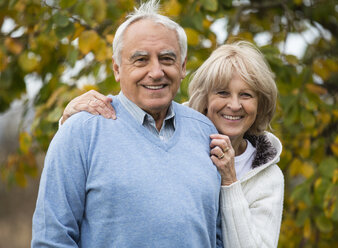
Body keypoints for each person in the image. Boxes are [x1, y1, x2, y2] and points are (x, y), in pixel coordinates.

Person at [32, 1, 223, 247]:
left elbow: (217, 236)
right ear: (117, 69)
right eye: (141, 60)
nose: (156, 72)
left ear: (183, 66)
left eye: (166, 59)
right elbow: (52, 239)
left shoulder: (205, 132)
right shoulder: (80, 132)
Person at [61, 41, 285, 247]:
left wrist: (229, 181)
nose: (234, 105)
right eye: (223, 93)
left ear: (260, 103)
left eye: (246, 95)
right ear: (204, 97)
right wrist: (69, 122)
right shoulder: (167, 131)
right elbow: (117, 152)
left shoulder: (267, 177)